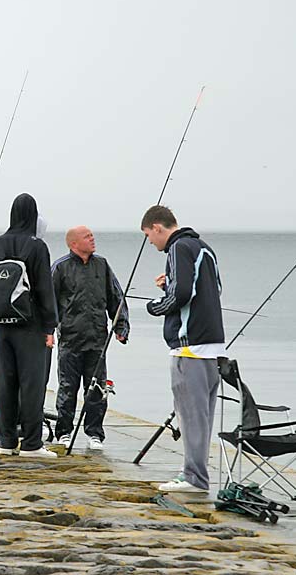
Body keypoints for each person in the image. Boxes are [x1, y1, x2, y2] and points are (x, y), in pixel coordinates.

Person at [142, 205, 225, 494]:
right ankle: (196, 475)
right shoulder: (204, 249)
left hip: (189, 347)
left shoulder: (178, 248)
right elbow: (211, 290)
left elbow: (181, 294)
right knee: (201, 417)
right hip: (213, 348)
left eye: (149, 236)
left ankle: (193, 478)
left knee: (189, 416)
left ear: (157, 227)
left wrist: (154, 307)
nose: (151, 243)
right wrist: (171, 288)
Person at [0, 193, 58, 458]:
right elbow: (44, 289)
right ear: (33, 216)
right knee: (32, 384)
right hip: (31, 326)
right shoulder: (37, 247)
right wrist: (50, 326)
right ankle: (31, 444)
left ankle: (6, 441)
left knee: (5, 382)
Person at [51, 226, 130, 450]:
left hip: (97, 339)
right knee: (68, 387)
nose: (92, 239)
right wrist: (47, 331)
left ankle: (95, 433)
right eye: (87, 237)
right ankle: (64, 431)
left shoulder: (102, 265)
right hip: (70, 339)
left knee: (97, 388)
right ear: (74, 244)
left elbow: (116, 297)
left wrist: (121, 326)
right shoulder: (60, 267)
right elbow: (49, 303)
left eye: (92, 235)